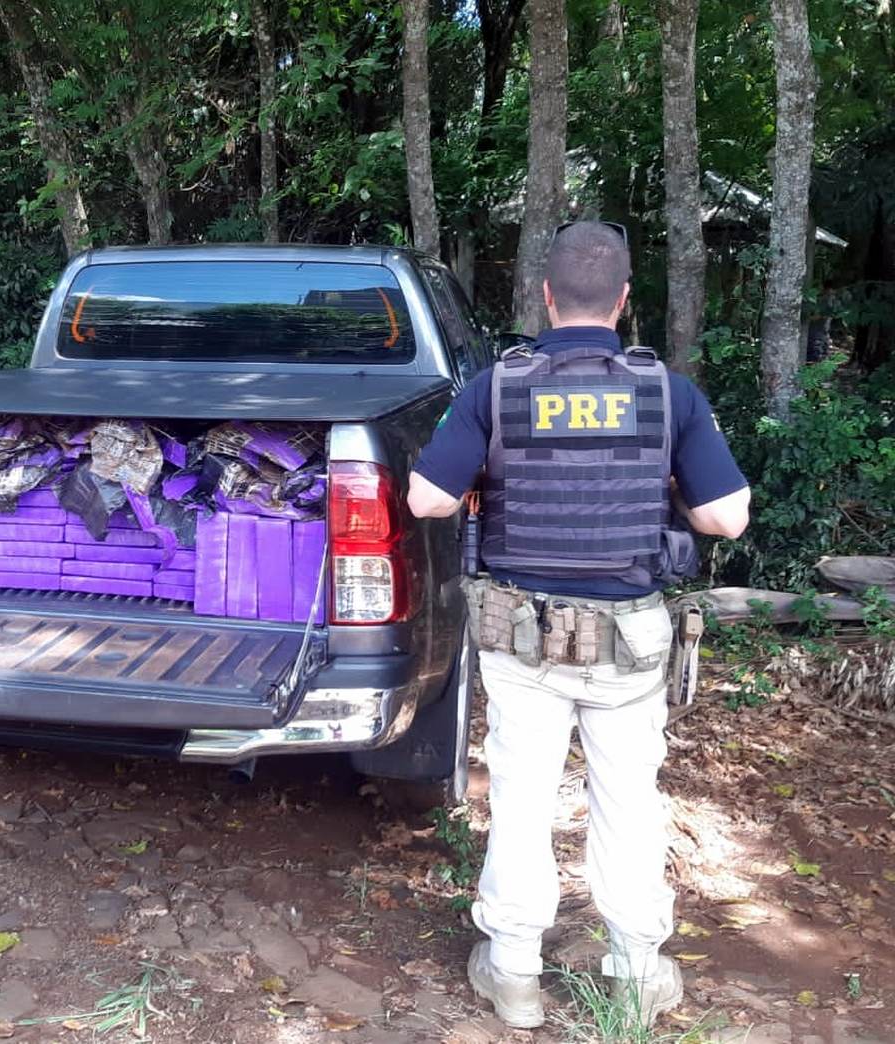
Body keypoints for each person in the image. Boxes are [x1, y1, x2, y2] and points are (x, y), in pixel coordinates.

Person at [407, 221, 750, 1029]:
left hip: (522, 641)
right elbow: (726, 519)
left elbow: (427, 500)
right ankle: (635, 972)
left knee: (521, 802)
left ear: (546, 297)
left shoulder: (498, 386)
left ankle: (516, 975)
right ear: (625, 301)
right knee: (628, 802)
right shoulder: (669, 392)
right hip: (629, 646)